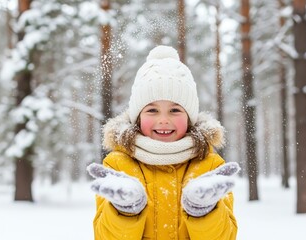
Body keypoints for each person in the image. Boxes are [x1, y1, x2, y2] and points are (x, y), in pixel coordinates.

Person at [87, 45, 238, 240]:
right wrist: (126, 211)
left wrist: (204, 211)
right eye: (152, 110)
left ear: (189, 117)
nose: (164, 119)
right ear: (138, 117)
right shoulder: (117, 166)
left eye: (175, 110)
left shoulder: (209, 166)